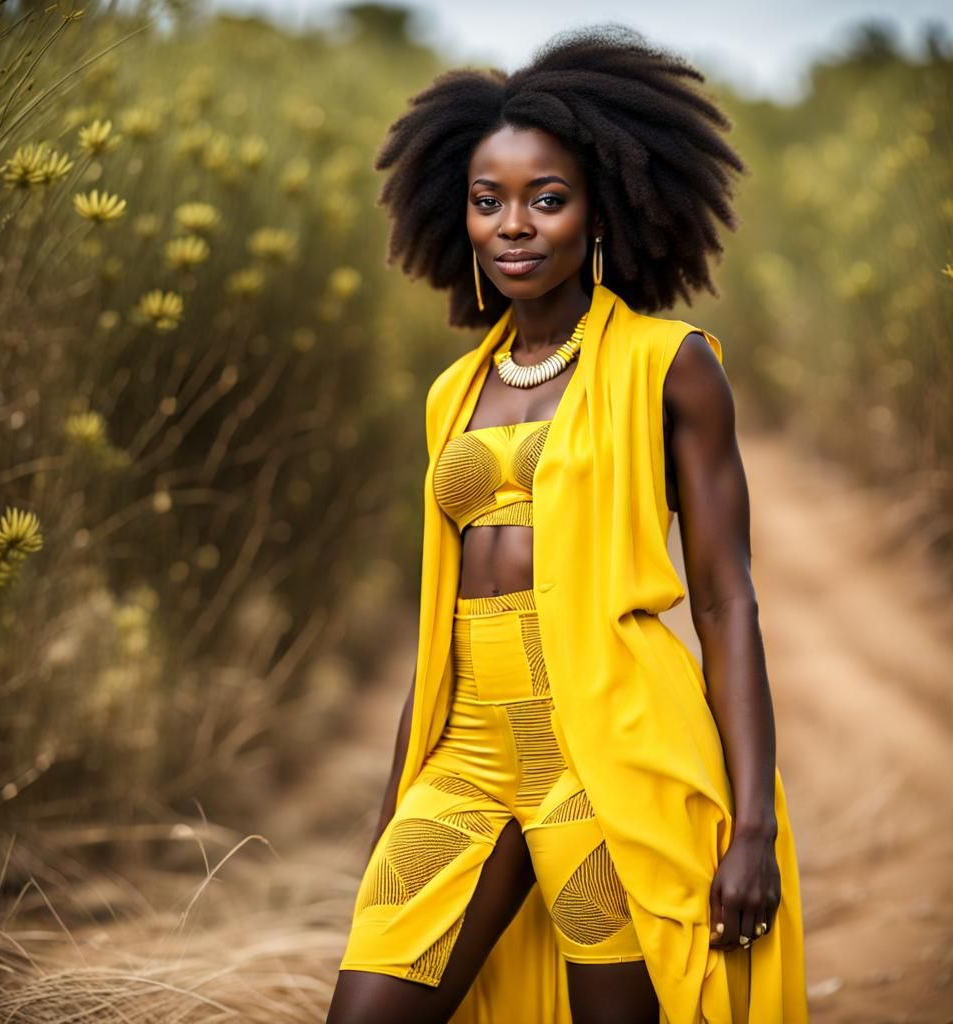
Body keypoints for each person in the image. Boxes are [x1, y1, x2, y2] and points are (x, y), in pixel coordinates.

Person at [327, 24, 807, 1024]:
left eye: (547, 198)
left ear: (600, 211)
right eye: (486, 199)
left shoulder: (666, 365)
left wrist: (752, 824)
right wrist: (394, 804)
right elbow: (438, 619)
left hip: (608, 751)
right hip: (465, 752)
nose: (513, 225)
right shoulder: (452, 393)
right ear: (453, 213)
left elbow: (725, 599)